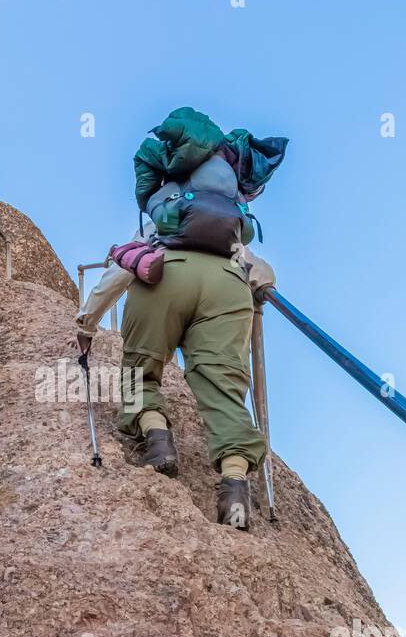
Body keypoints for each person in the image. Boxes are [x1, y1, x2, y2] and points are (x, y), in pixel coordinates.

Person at [76, 118, 282, 530]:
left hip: (163, 276)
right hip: (228, 286)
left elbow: (120, 272)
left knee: (140, 369)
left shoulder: (168, 214)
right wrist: (260, 283)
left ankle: (157, 438)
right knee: (223, 387)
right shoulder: (231, 223)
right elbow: (263, 273)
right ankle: (235, 487)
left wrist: (87, 324)